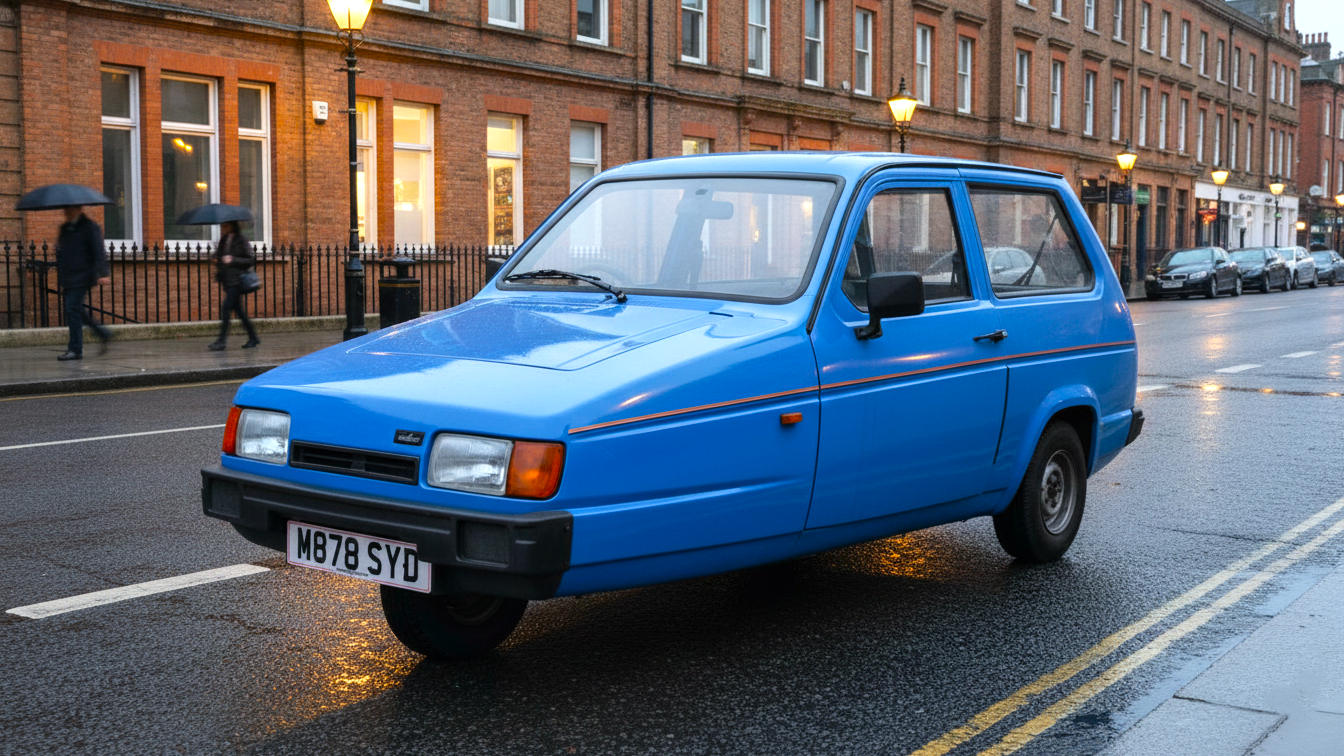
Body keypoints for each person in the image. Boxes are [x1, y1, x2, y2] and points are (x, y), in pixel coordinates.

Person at [56, 205, 112, 361]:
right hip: (68, 276)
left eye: (69, 209)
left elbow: (98, 251)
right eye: (65, 209)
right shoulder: (65, 228)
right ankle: (103, 333)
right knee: (76, 310)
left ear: (78, 209)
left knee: (72, 309)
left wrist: (103, 273)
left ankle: (75, 349)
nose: (66, 212)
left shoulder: (90, 227)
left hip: (82, 275)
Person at [209, 221, 260, 350]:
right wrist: (216, 259)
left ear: (232, 226)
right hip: (227, 280)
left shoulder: (241, 240)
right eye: (222, 226)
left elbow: (250, 260)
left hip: (237, 281)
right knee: (239, 312)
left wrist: (233, 259)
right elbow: (220, 256)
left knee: (226, 308)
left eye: (225, 225)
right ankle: (253, 337)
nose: (223, 228)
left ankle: (221, 341)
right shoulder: (224, 240)